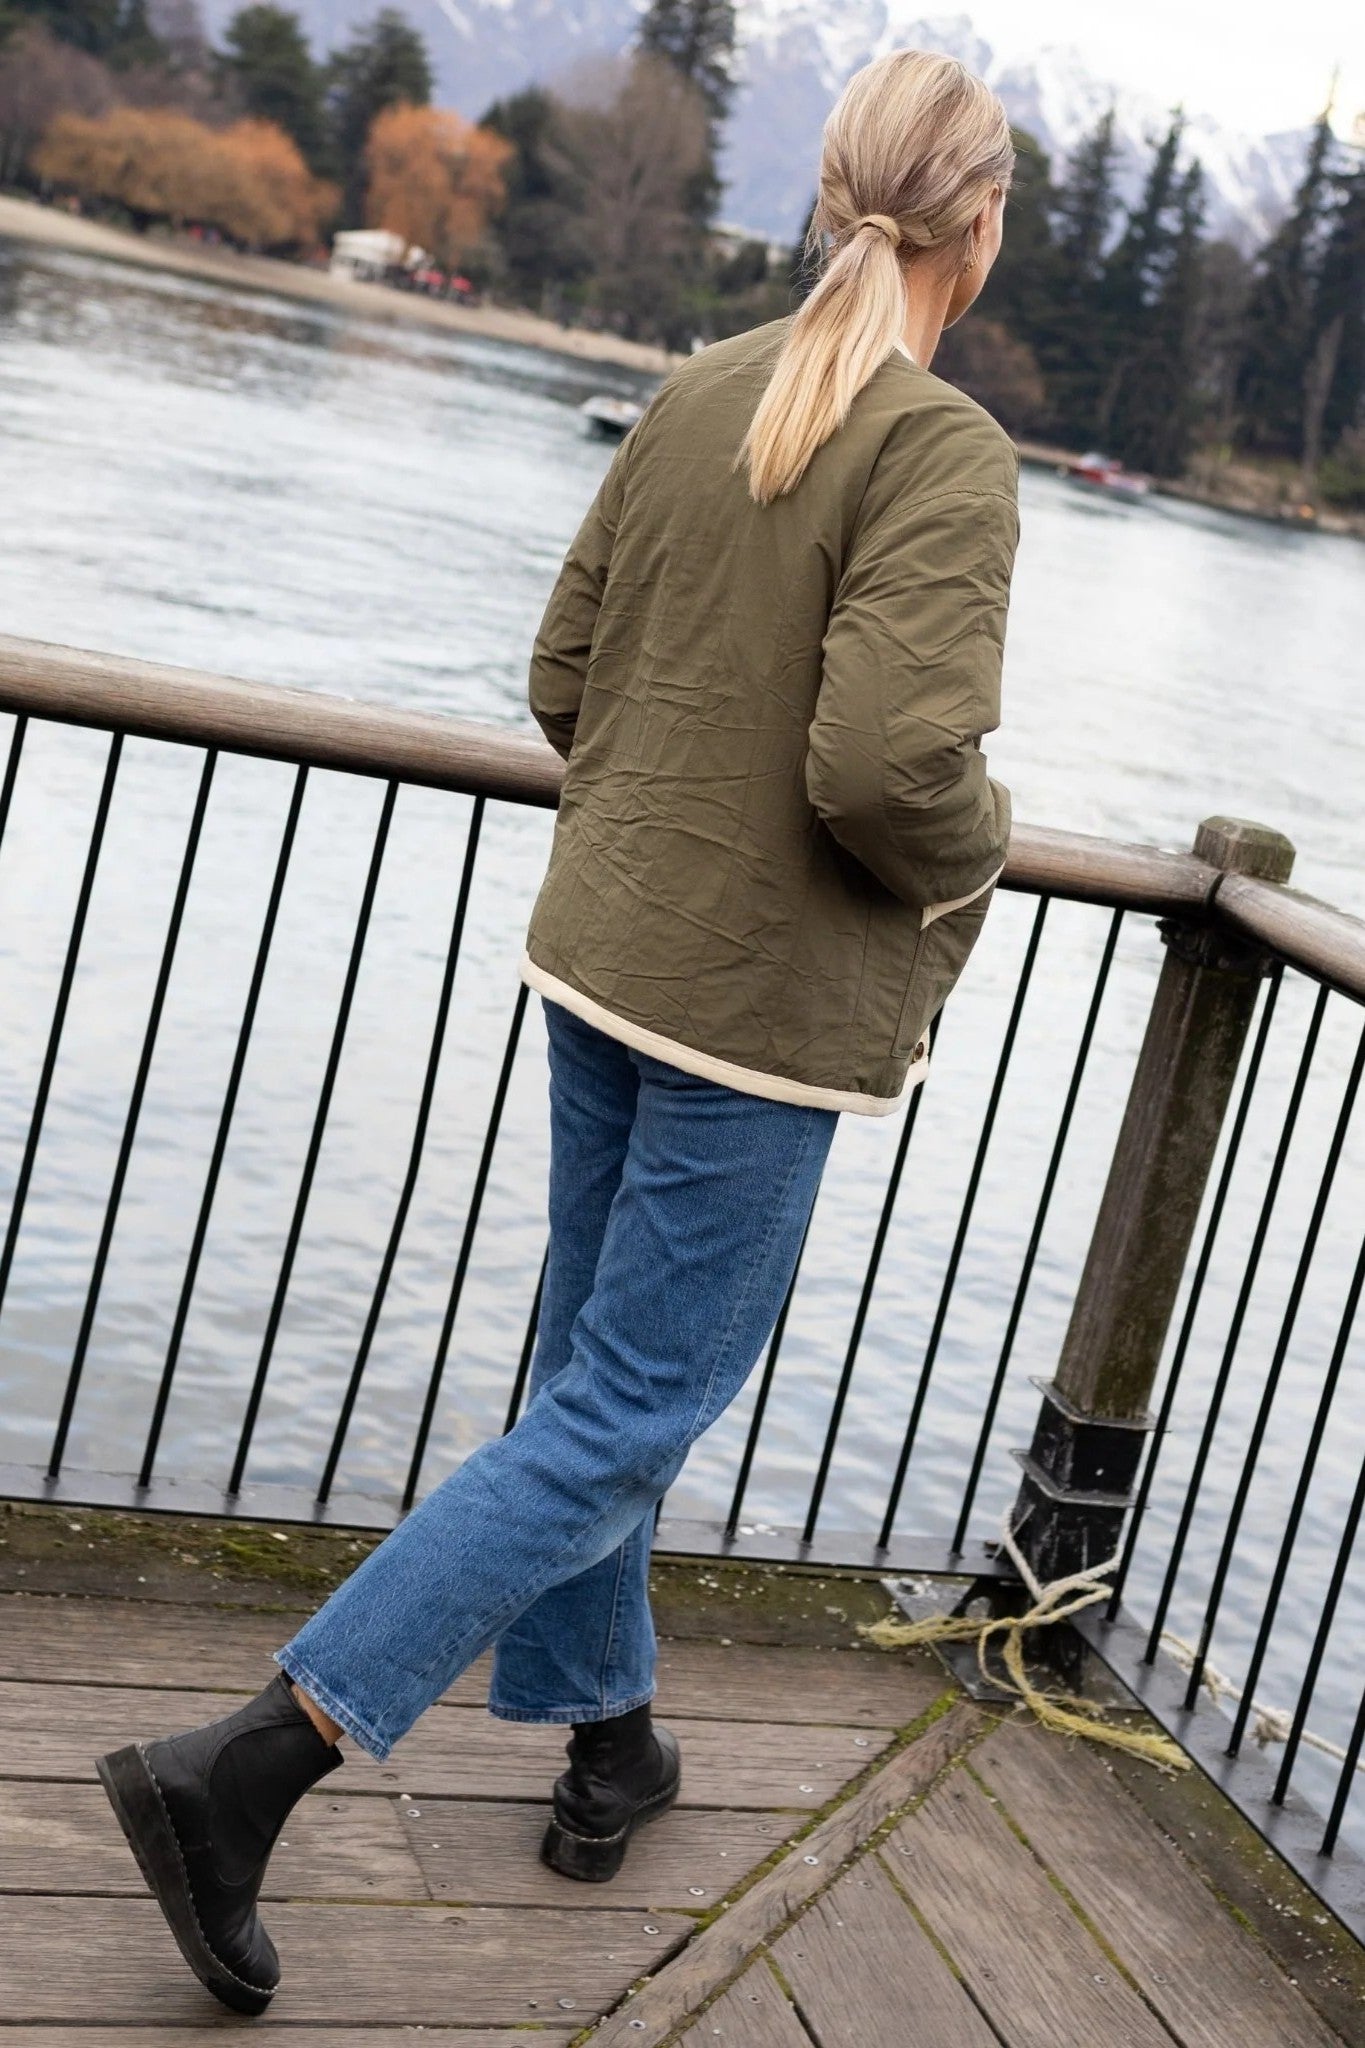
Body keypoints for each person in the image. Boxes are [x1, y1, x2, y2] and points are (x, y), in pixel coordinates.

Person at [96, 46, 1020, 2017]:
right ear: (977, 227)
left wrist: (670, 836)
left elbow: (559, 675)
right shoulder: (937, 448)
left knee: (587, 1381)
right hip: (751, 1025)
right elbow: (882, 763)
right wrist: (985, 840)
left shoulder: (697, 388)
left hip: (600, 970)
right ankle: (247, 1768)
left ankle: (607, 1736)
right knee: (619, 1408)